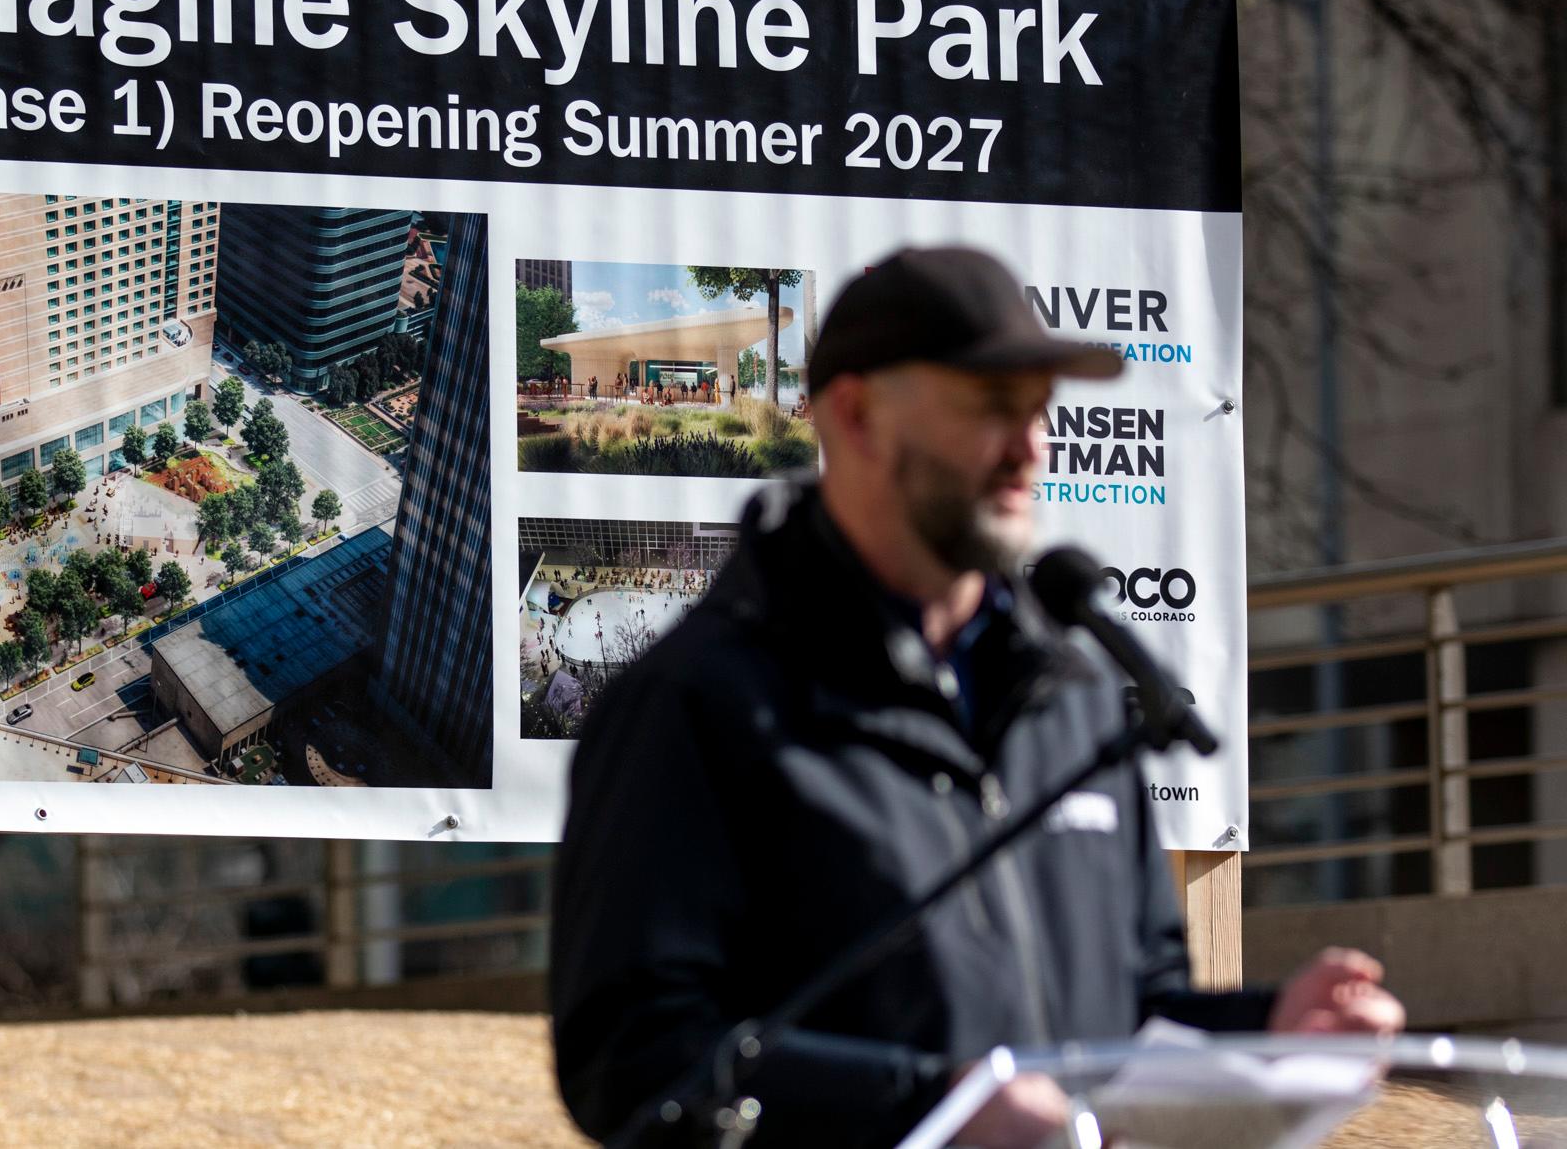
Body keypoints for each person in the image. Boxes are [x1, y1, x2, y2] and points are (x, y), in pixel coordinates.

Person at [550, 247, 1403, 1148]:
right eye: (994, 407)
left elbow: (1136, 1010)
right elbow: (634, 1057)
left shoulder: (1070, 701)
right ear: (857, 415)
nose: (1034, 445)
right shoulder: (698, 703)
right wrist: (930, 1107)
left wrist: (1273, 1029)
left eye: (1039, 410)